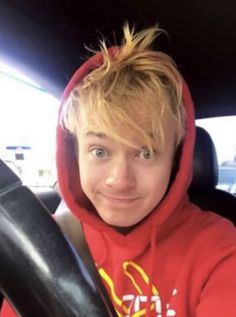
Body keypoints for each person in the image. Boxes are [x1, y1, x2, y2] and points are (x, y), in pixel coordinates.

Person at [1, 24, 236, 317]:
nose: (120, 180)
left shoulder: (220, 247)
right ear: (75, 155)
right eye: (100, 151)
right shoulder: (46, 245)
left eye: (146, 152)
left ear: (175, 159)